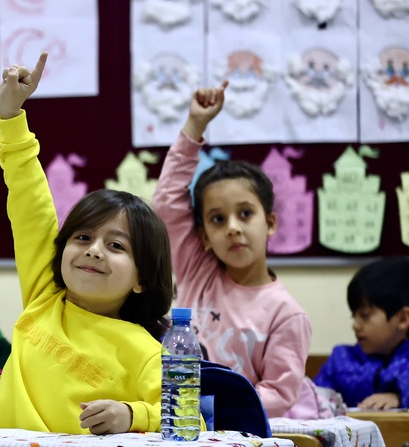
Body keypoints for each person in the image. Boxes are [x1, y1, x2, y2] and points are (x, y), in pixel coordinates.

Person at [0, 52, 173, 435]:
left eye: (117, 246)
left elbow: (192, 421)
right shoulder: (45, 296)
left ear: (141, 279)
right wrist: (11, 117)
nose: (93, 250)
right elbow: (30, 203)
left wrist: (132, 414)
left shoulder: (145, 351)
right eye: (84, 237)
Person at [151, 82, 316, 419]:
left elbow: (280, 394)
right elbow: (167, 202)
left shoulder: (286, 314)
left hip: (238, 436)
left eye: (245, 213)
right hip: (182, 423)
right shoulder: (198, 269)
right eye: (217, 218)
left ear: (270, 222)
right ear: (205, 236)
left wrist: (209, 407)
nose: (233, 228)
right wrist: (195, 125)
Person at [314, 257, 409, 410]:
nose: (355, 325)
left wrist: (399, 397)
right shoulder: (340, 360)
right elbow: (314, 400)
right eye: (354, 315)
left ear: (403, 319)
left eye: (365, 315)